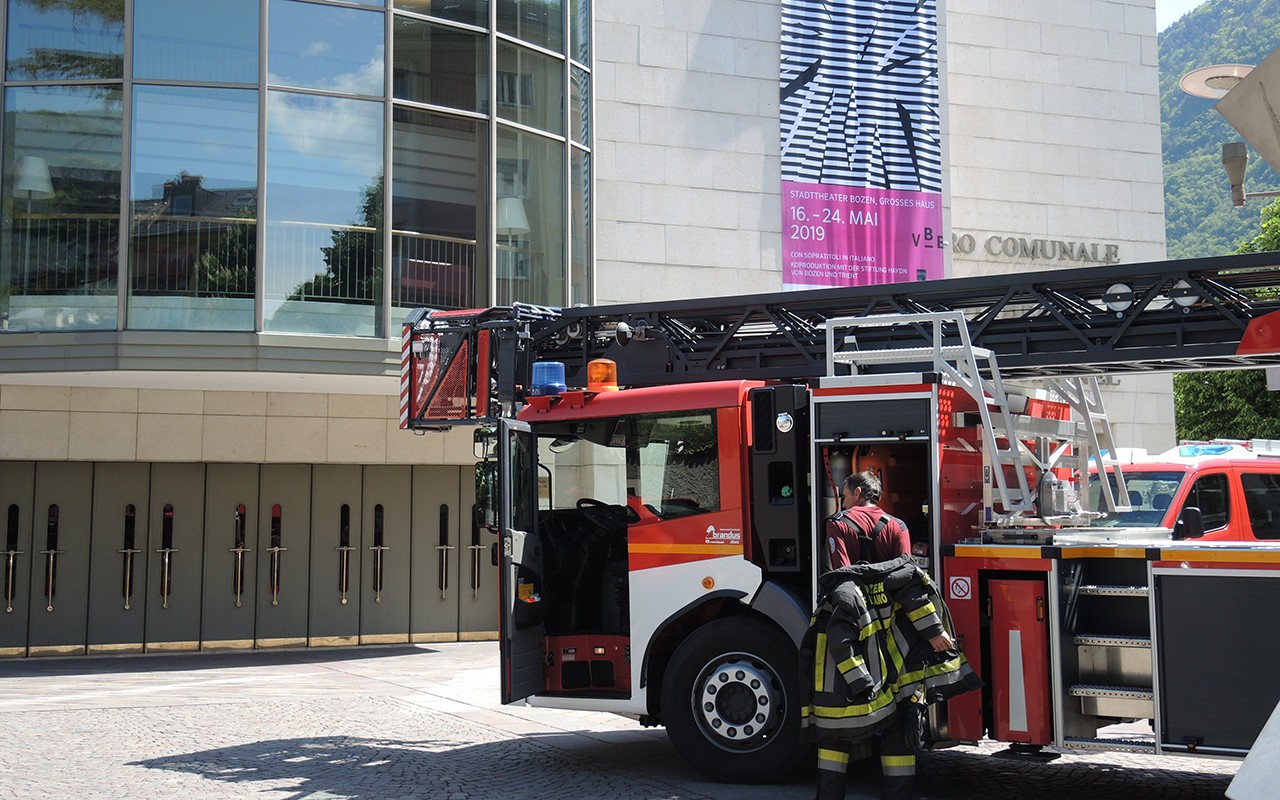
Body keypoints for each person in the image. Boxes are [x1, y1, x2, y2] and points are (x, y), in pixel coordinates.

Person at [810, 472, 966, 800]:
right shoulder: (898, 526)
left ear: (855, 492)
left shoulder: (837, 524)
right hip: (895, 634)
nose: (844, 500)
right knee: (900, 720)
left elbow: (841, 573)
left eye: (845, 494)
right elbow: (907, 575)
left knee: (836, 729)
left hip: (854, 625)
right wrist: (933, 631)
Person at [825, 471, 911, 569]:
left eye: (845, 497)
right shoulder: (899, 526)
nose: (843, 504)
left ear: (857, 492)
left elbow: (841, 571)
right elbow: (905, 570)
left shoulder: (838, 523)